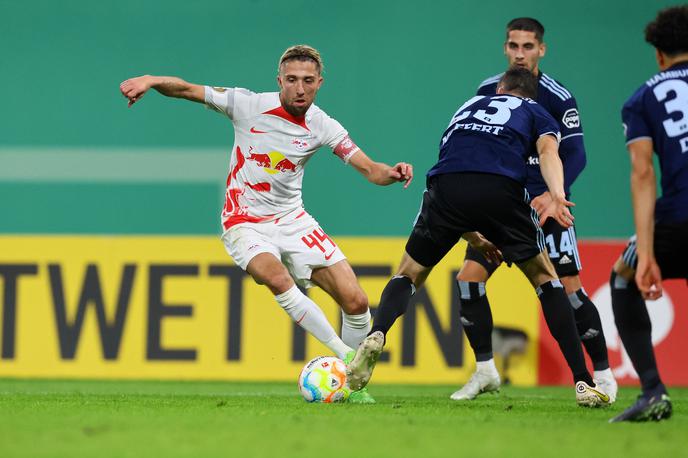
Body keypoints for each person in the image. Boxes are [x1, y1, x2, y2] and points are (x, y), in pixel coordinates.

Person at [119, 45, 413, 404]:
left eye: (307, 81)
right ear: (279, 81)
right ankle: (348, 358)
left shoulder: (323, 125)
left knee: (356, 300)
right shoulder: (248, 105)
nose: (299, 88)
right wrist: (150, 80)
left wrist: (393, 173)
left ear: (320, 83)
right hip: (244, 220)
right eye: (291, 80)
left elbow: (369, 169)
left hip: (292, 219)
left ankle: (350, 387)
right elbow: (185, 89)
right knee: (274, 276)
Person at [347, 67, 611, 407]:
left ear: (499, 88)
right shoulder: (536, 110)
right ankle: (583, 382)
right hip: (500, 189)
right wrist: (557, 194)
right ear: (529, 94)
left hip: (445, 188)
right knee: (546, 278)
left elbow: (457, 170)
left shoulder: (467, 106)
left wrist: (474, 237)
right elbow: (548, 153)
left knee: (408, 273)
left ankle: (377, 333)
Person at [452, 17, 617, 402]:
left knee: (571, 291)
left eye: (528, 47)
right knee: (468, 280)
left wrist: (551, 196)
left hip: (547, 209)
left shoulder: (558, 96)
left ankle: (605, 375)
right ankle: (485, 371)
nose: (520, 54)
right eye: (514, 46)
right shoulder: (487, 89)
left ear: (541, 49)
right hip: (501, 206)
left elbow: (574, 154)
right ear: (505, 48)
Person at [609, 6, 688, 423]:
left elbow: (643, 173)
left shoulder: (642, 98)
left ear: (658, 55)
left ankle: (653, 390)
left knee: (623, 276)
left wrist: (649, 251)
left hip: (678, 217)